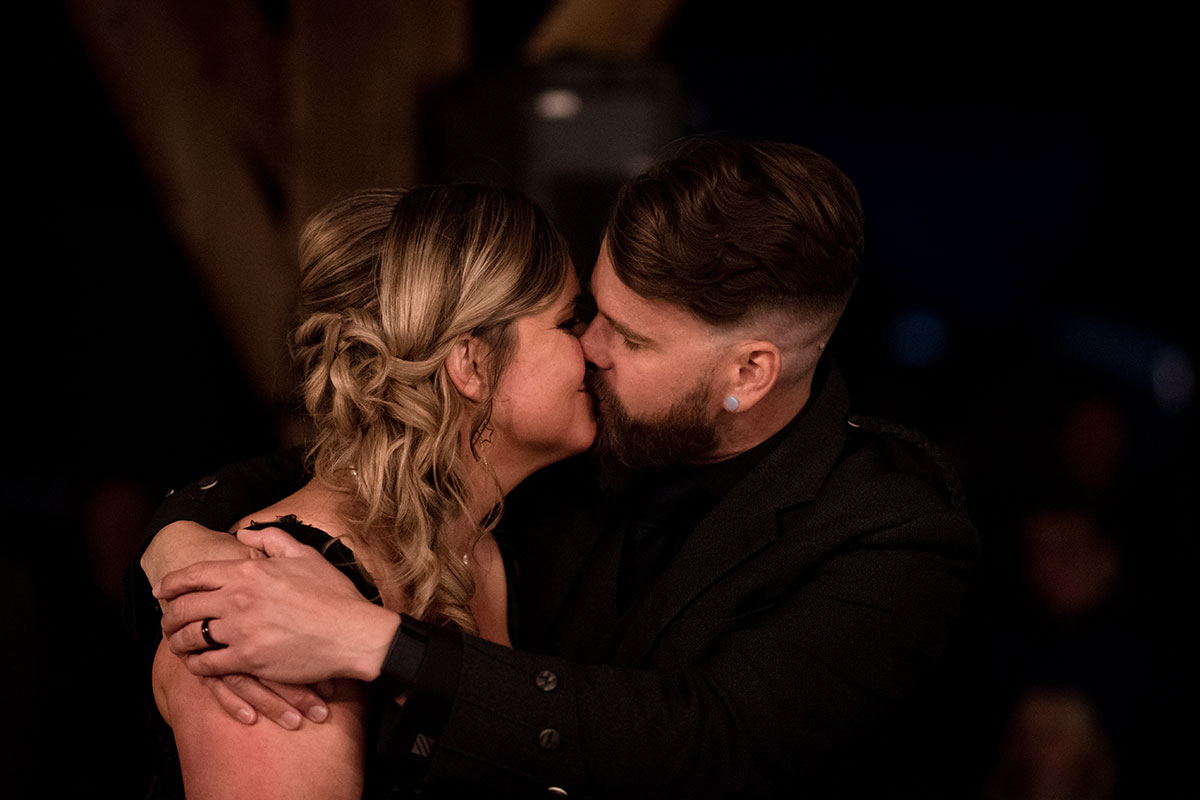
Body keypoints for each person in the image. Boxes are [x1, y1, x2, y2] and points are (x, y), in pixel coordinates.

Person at [137, 135, 979, 798]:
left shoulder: (894, 537)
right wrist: (182, 537)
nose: (593, 349)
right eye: (582, 314)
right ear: (471, 366)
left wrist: (370, 642)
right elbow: (365, 452)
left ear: (748, 373)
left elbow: (711, 742)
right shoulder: (281, 607)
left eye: (629, 336)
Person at [137, 183, 596, 798]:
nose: (596, 345)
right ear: (472, 364)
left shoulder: (501, 536)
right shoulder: (259, 615)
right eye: (570, 322)